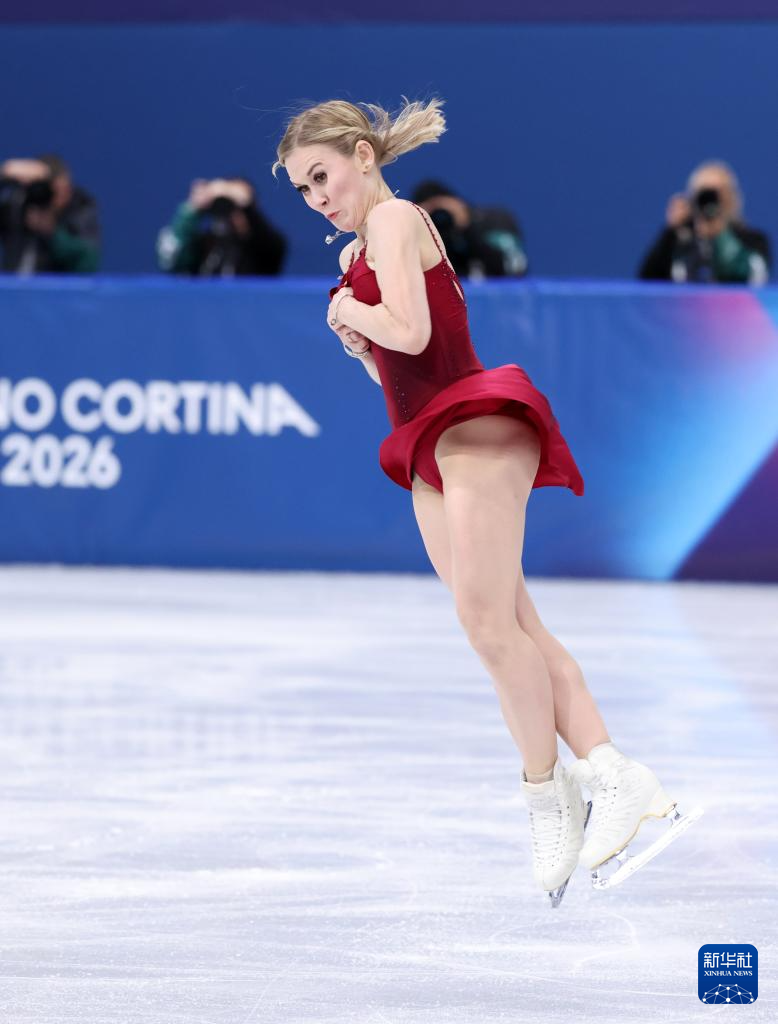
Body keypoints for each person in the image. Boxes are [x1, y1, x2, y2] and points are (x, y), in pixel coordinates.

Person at [274, 96, 699, 904]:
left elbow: (414, 335)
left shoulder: (394, 219)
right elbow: (398, 364)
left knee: (489, 624)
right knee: (506, 627)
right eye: (302, 189)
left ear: (363, 155)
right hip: (432, 439)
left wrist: (354, 312)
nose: (316, 198)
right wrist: (357, 343)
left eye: (321, 176)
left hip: (472, 426)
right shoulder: (359, 250)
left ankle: (570, 787)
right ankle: (590, 780)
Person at [638, 160, 771, 284]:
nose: (710, 202)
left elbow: (753, 277)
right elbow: (646, 284)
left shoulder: (753, 240)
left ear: (732, 198)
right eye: (703, 194)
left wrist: (721, 237)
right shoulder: (678, 241)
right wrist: (670, 231)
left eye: (717, 194)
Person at [156, 176, 286, 277]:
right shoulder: (205, 245)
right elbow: (172, 259)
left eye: (238, 207)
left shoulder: (266, 247)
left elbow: (268, 241)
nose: (231, 214)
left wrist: (244, 205)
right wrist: (192, 210)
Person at [0, 154, 100, 274]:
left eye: (66, 188)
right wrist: (4, 174)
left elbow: (88, 261)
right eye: (55, 190)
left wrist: (52, 232)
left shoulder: (80, 208)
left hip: (57, 285)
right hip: (12, 283)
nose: (62, 196)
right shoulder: (18, 204)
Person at [411, 179, 528, 278]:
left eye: (442, 208)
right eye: (429, 214)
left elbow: (515, 268)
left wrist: (467, 228)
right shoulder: (420, 238)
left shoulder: (494, 221)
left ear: (457, 203)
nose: (439, 218)